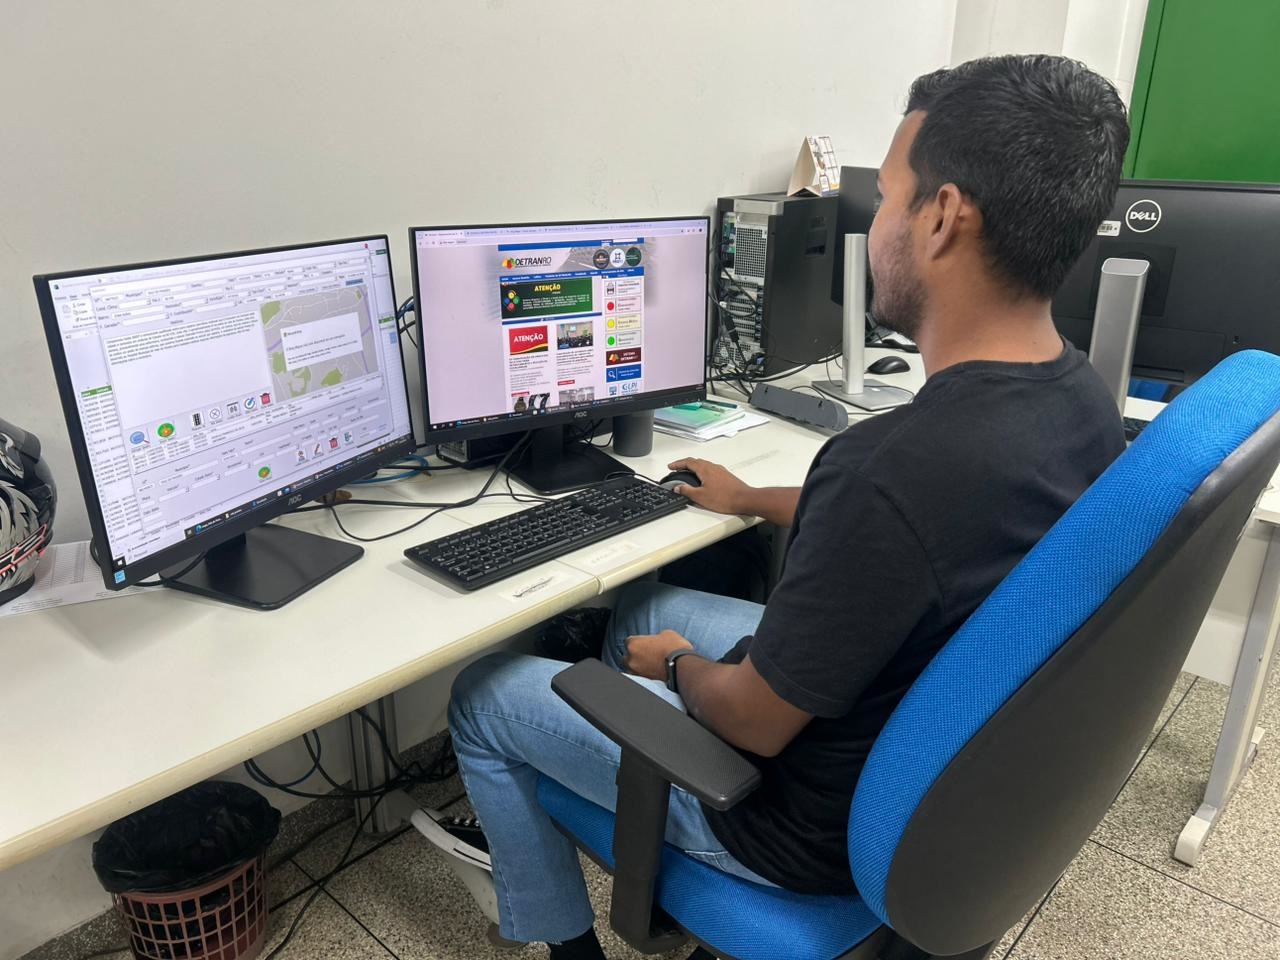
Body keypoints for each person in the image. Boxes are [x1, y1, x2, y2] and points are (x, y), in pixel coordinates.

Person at [442, 54, 1130, 959]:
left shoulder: (887, 469)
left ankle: (575, 942)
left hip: (793, 829)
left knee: (483, 692)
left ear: (942, 217)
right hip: (926, 755)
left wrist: (681, 668)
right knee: (642, 607)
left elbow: (754, 721)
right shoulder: (1079, 399)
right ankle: (629, 790)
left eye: (885, 197)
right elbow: (925, 534)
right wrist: (749, 498)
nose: (874, 225)